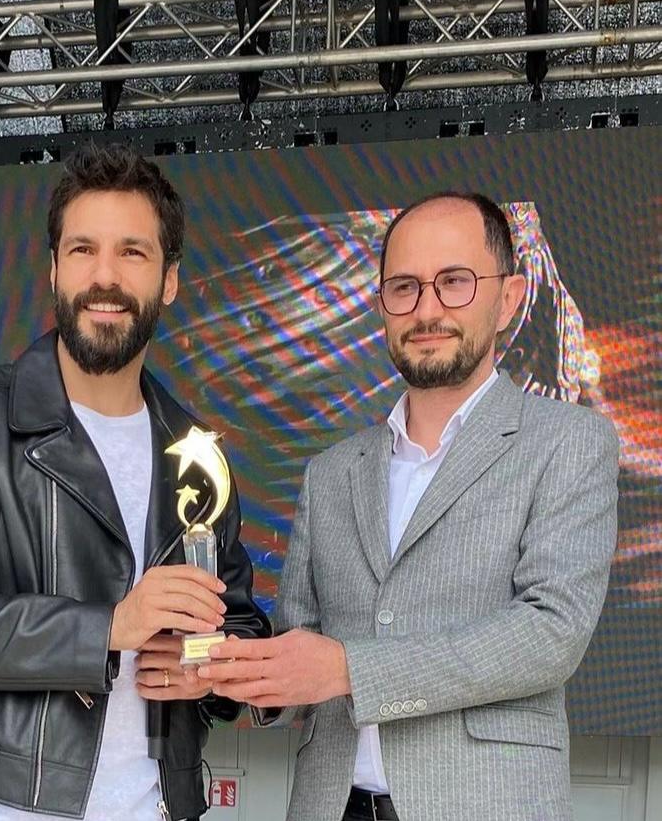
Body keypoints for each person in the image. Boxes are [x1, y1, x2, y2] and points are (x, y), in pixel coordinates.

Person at [199, 192, 619, 821]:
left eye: (454, 282)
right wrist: (232, 675)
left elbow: (551, 633)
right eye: (404, 287)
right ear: (382, 307)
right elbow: (300, 651)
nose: (426, 310)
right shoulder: (331, 472)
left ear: (509, 298)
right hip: (329, 804)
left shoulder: (570, 441)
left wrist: (351, 670)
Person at [0, 143, 270, 821]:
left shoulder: (196, 452)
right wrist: (110, 627)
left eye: (133, 252)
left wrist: (208, 669)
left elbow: (233, 619)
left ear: (169, 280)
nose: (105, 276)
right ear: (54, 269)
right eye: (84, 249)